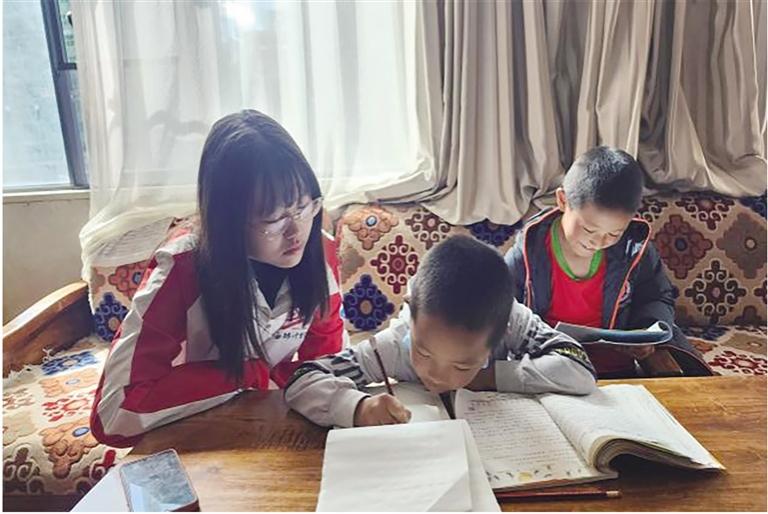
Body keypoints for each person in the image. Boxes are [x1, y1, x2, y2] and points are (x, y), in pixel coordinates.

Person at [90, 110, 345, 447]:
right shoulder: (182, 267)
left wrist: (294, 382)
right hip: (199, 428)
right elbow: (113, 413)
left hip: (274, 426)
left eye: (303, 207)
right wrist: (249, 374)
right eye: (273, 218)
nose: (296, 231)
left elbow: (326, 362)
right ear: (228, 220)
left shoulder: (319, 251)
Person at [285, 234, 597, 428]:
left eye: (462, 365)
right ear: (411, 313)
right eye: (423, 353)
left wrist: (489, 377)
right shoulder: (394, 345)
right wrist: (357, 408)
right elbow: (304, 378)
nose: (436, 376)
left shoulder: (512, 321)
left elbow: (579, 368)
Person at [505, 146, 711, 378]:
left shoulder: (634, 248)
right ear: (563, 201)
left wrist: (646, 331)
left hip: (616, 370)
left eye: (614, 233)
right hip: (550, 368)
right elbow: (501, 307)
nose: (599, 241)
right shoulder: (530, 251)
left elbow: (656, 296)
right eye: (589, 229)